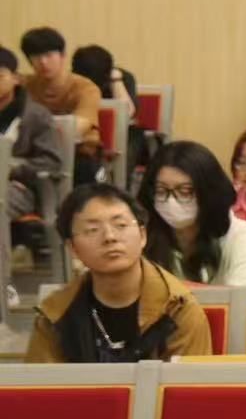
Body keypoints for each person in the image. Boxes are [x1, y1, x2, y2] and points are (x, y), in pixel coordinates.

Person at [29, 184, 213, 363]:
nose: (110, 237)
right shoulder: (55, 316)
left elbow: (188, 382)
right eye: (93, 230)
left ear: (142, 235)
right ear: (73, 248)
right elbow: (43, 382)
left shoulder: (177, 309)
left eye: (121, 225)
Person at [138, 141, 246, 287]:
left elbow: (243, 294)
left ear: (208, 192)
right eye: (161, 191)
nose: (171, 201)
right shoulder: (141, 234)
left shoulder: (240, 234)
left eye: (184, 192)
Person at [0, 46, 59, 238]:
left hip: (19, 188)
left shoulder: (36, 116)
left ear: (16, 79)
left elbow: (51, 161)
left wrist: (12, 167)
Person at [19, 26, 102, 135]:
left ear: (62, 55)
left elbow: (79, 125)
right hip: (35, 144)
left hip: (79, 144)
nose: (43, 62)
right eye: (36, 57)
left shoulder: (86, 88)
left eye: (49, 55)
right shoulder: (24, 85)